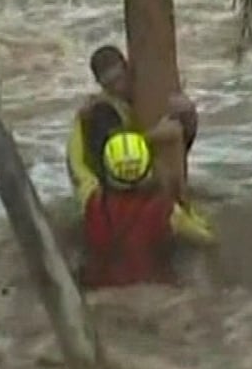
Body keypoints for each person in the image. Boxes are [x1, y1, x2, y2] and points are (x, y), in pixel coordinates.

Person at [66, 45, 215, 289]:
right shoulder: (101, 113)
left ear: (128, 70)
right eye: (110, 82)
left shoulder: (141, 102)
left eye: (121, 77)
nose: (118, 85)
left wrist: (188, 117)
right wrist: (155, 136)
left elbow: (176, 147)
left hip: (111, 197)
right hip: (100, 185)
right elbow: (115, 152)